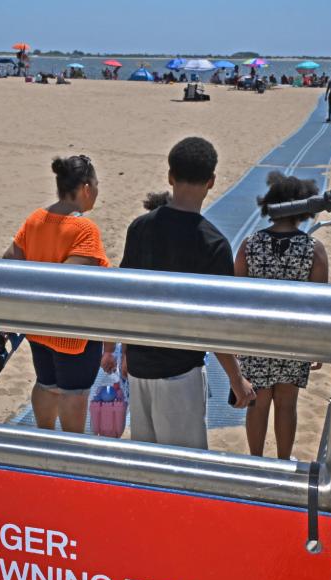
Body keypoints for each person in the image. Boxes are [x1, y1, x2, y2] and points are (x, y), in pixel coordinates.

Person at [113, 137, 255, 449]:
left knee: (147, 467)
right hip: (180, 373)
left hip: (140, 367)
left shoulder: (139, 228)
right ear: (211, 182)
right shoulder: (213, 244)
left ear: (170, 177)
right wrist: (236, 378)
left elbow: (128, 295)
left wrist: (125, 351)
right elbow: (216, 323)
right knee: (182, 471)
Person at [3, 155, 109, 433]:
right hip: (72, 331)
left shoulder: (36, 219)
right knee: (74, 392)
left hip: (38, 324)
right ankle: (70, 454)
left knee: (46, 383)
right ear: (86, 188)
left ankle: (45, 438)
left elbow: (9, 260)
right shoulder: (84, 228)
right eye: (97, 185)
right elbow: (71, 279)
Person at [235, 172, 329, 460]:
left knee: (257, 404)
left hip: (258, 335)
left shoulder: (250, 244)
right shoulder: (313, 249)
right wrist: (317, 346)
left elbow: (239, 293)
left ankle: (255, 459)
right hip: (294, 335)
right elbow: (318, 303)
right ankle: (284, 461)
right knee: (287, 405)